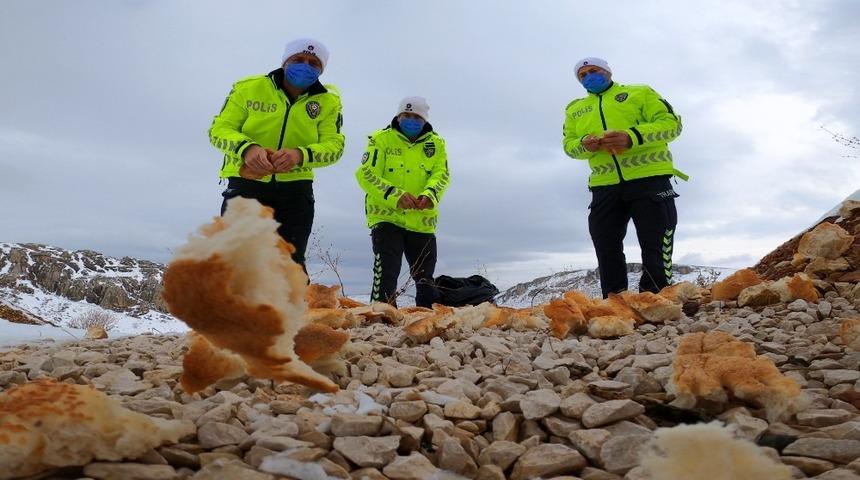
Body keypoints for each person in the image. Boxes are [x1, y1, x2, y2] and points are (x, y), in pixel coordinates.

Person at [208, 38, 345, 270]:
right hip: (246, 184)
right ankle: (232, 307)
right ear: (285, 62)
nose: (305, 65)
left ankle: (291, 307)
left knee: (289, 265)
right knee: (235, 261)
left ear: (321, 69)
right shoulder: (248, 87)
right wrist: (247, 149)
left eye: (313, 63)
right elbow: (218, 130)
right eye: (298, 59)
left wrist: (300, 155)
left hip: (296, 191)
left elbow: (335, 146)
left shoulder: (329, 102)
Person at [563, 57, 688, 298]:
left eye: (594, 70)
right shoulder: (575, 109)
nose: (589, 77)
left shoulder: (639, 93)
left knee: (655, 246)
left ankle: (655, 299)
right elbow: (568, 146)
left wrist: (631, 137)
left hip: (650, 180)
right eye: (583, 75)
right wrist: (584, 144)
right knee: (606, 246)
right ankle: (615, 303)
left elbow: (672, 124)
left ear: (607, 71)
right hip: (604, 186)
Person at [355, 97, 450, 307]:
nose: (411, 120)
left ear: (424, 120)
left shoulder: (436, 144)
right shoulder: (380, 139)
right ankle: (380, 319)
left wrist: (430, 195)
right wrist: (395, 195)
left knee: (425, 277)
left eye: (416, 117)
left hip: (421, 221)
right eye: (406, 115)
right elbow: (366, 174)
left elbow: (441, 174)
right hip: (386, 217)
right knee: (387, 271)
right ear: (398, 116)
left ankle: (426, 319)